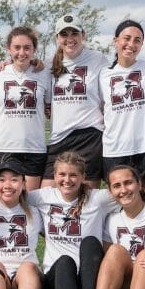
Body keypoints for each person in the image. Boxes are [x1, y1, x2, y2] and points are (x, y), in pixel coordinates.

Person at [31, 152, 115, 289]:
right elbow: (12, 197)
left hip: (88, 279)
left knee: (91, 242)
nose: (67, 180)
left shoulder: (97, 199)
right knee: (64, 260)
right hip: (56, 282)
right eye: (62, 174)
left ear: (83, 177)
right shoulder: (44, 196)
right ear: (54, 176)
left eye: (73, 175)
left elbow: (129, 194)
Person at [43, 14, 109, 189]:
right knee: (46, 194)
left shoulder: (98, 59)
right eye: (64, 34)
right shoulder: (48, 65)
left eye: (75, 33)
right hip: (59, 138)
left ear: (83, 35)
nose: (70, 38)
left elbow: (106, 98)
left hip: (90, 137)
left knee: (86, 200)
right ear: (57, 38)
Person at [99, 19, 145, 190]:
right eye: (126, 38)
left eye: (137, 40)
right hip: (115, 150)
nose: (131, 44)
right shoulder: (102, 74)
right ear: (116, 41)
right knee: (119, 205)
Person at [0, 26, 52, 189]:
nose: (22, 52)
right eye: (17, 47)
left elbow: (49, 106)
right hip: (5, 146)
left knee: (29, 202)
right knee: (7, 200)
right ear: (8, 49)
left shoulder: (45, 73)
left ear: (34, 49)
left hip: (34, 148)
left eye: (27, 47)